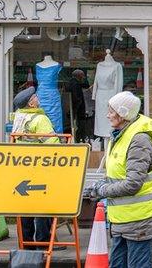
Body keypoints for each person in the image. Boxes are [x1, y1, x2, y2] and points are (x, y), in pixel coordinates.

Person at [85, 92, 152, 268]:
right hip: (124, 220)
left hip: (140, 222)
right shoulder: (123, 134)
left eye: (111, 111)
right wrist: (101, 185)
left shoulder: (139, 139)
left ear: (123, 114)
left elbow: (132, 184)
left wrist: (101, 190)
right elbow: (120, 173)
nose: (107, 115)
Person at [11, 87, 60, 248]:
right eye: (35, 97)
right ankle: (44, 241)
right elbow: (53, 145)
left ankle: (26, 243)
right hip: (41, 169)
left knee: (25, 207)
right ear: (31, 104)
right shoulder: (40, 120)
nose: (38, 98)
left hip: (22, 168)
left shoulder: (18, 117)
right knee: (43, 207)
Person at [63, 69, 91, 141]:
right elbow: (77, 99)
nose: (83, 77)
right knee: (78, 127)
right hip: (77, 110)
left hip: (73, 109)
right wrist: (75, 110)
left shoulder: (72, 82)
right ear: (79, 76)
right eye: (82, 76)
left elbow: (86, 85)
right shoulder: (76, 84)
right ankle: (78, 140)